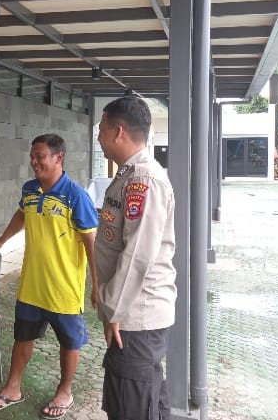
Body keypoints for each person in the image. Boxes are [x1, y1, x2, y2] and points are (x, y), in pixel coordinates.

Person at [0, 134, 99, 420]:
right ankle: (12, 388)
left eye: (40, 156)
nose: (34, 161)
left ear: (59, 158)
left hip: (64, 290)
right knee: (23, 337)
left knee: (69, 342)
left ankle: (65, 391)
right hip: (31, 286)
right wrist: (2, 239)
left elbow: (91, 243)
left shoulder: (76, 196)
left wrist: (97, 285)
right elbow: (22, 214)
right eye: (32, 156)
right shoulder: (30, 189)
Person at [94, 96, 177, 420]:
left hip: (136, 315)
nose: (98, 136)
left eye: (101, 129)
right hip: (131, 311)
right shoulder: (129, 173)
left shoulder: (143, 179)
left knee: (130, 406)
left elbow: (138, 255)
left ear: (118, 132)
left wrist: (113, 310)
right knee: (146, 400)